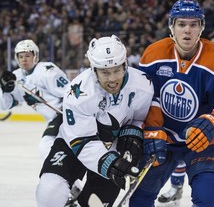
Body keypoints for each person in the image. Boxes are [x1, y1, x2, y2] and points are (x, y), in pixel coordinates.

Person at [129, 0, 214, 207]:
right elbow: (146, 98)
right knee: (139, 199)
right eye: (181, 24)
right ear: (171, 27)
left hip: (202, 142)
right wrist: (152, 129)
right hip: (163, 139)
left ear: (201, 28)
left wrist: (212, 125)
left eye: (193, 24)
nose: (187, 30)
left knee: (208, 197)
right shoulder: (153, 54)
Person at [36, 35, 154, 207]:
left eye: (117, 70)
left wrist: (133, 134)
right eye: (105, 72)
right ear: (94, 70)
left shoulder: (143, 86)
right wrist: (110, 163)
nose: (112, 79)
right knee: (48, 193)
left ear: (125, 65)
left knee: (96, 204)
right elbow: (81, 141)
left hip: (113, 147)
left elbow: (139, 119)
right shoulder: (78, 93)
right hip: (74, 144)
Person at [0, 39, 69, 162]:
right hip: (53, 120)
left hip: (64, 115)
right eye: (20, 56)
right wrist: (4, 89)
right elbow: (5, 105)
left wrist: (67, 116)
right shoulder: (16, 77)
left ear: (35, 56)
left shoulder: (47, 71)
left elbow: (70, 94)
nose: (24, 59)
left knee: (46, 146)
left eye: (27, 56)